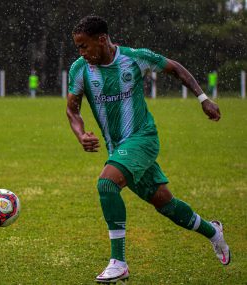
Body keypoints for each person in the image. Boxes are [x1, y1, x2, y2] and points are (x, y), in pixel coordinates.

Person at [66, 16, 230, 283]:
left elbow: (175, 68)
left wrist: (203, 98)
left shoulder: (134, 58)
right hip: (118, 149)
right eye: (78, 48)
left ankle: (118, 262)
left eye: (84, 46)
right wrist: (80, 133)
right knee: (166, 204)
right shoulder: (80, 69)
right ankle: (213, 232)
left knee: (106, 185)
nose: (81, 53)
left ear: (102, 40)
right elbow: (72, 110)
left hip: (143, 138)